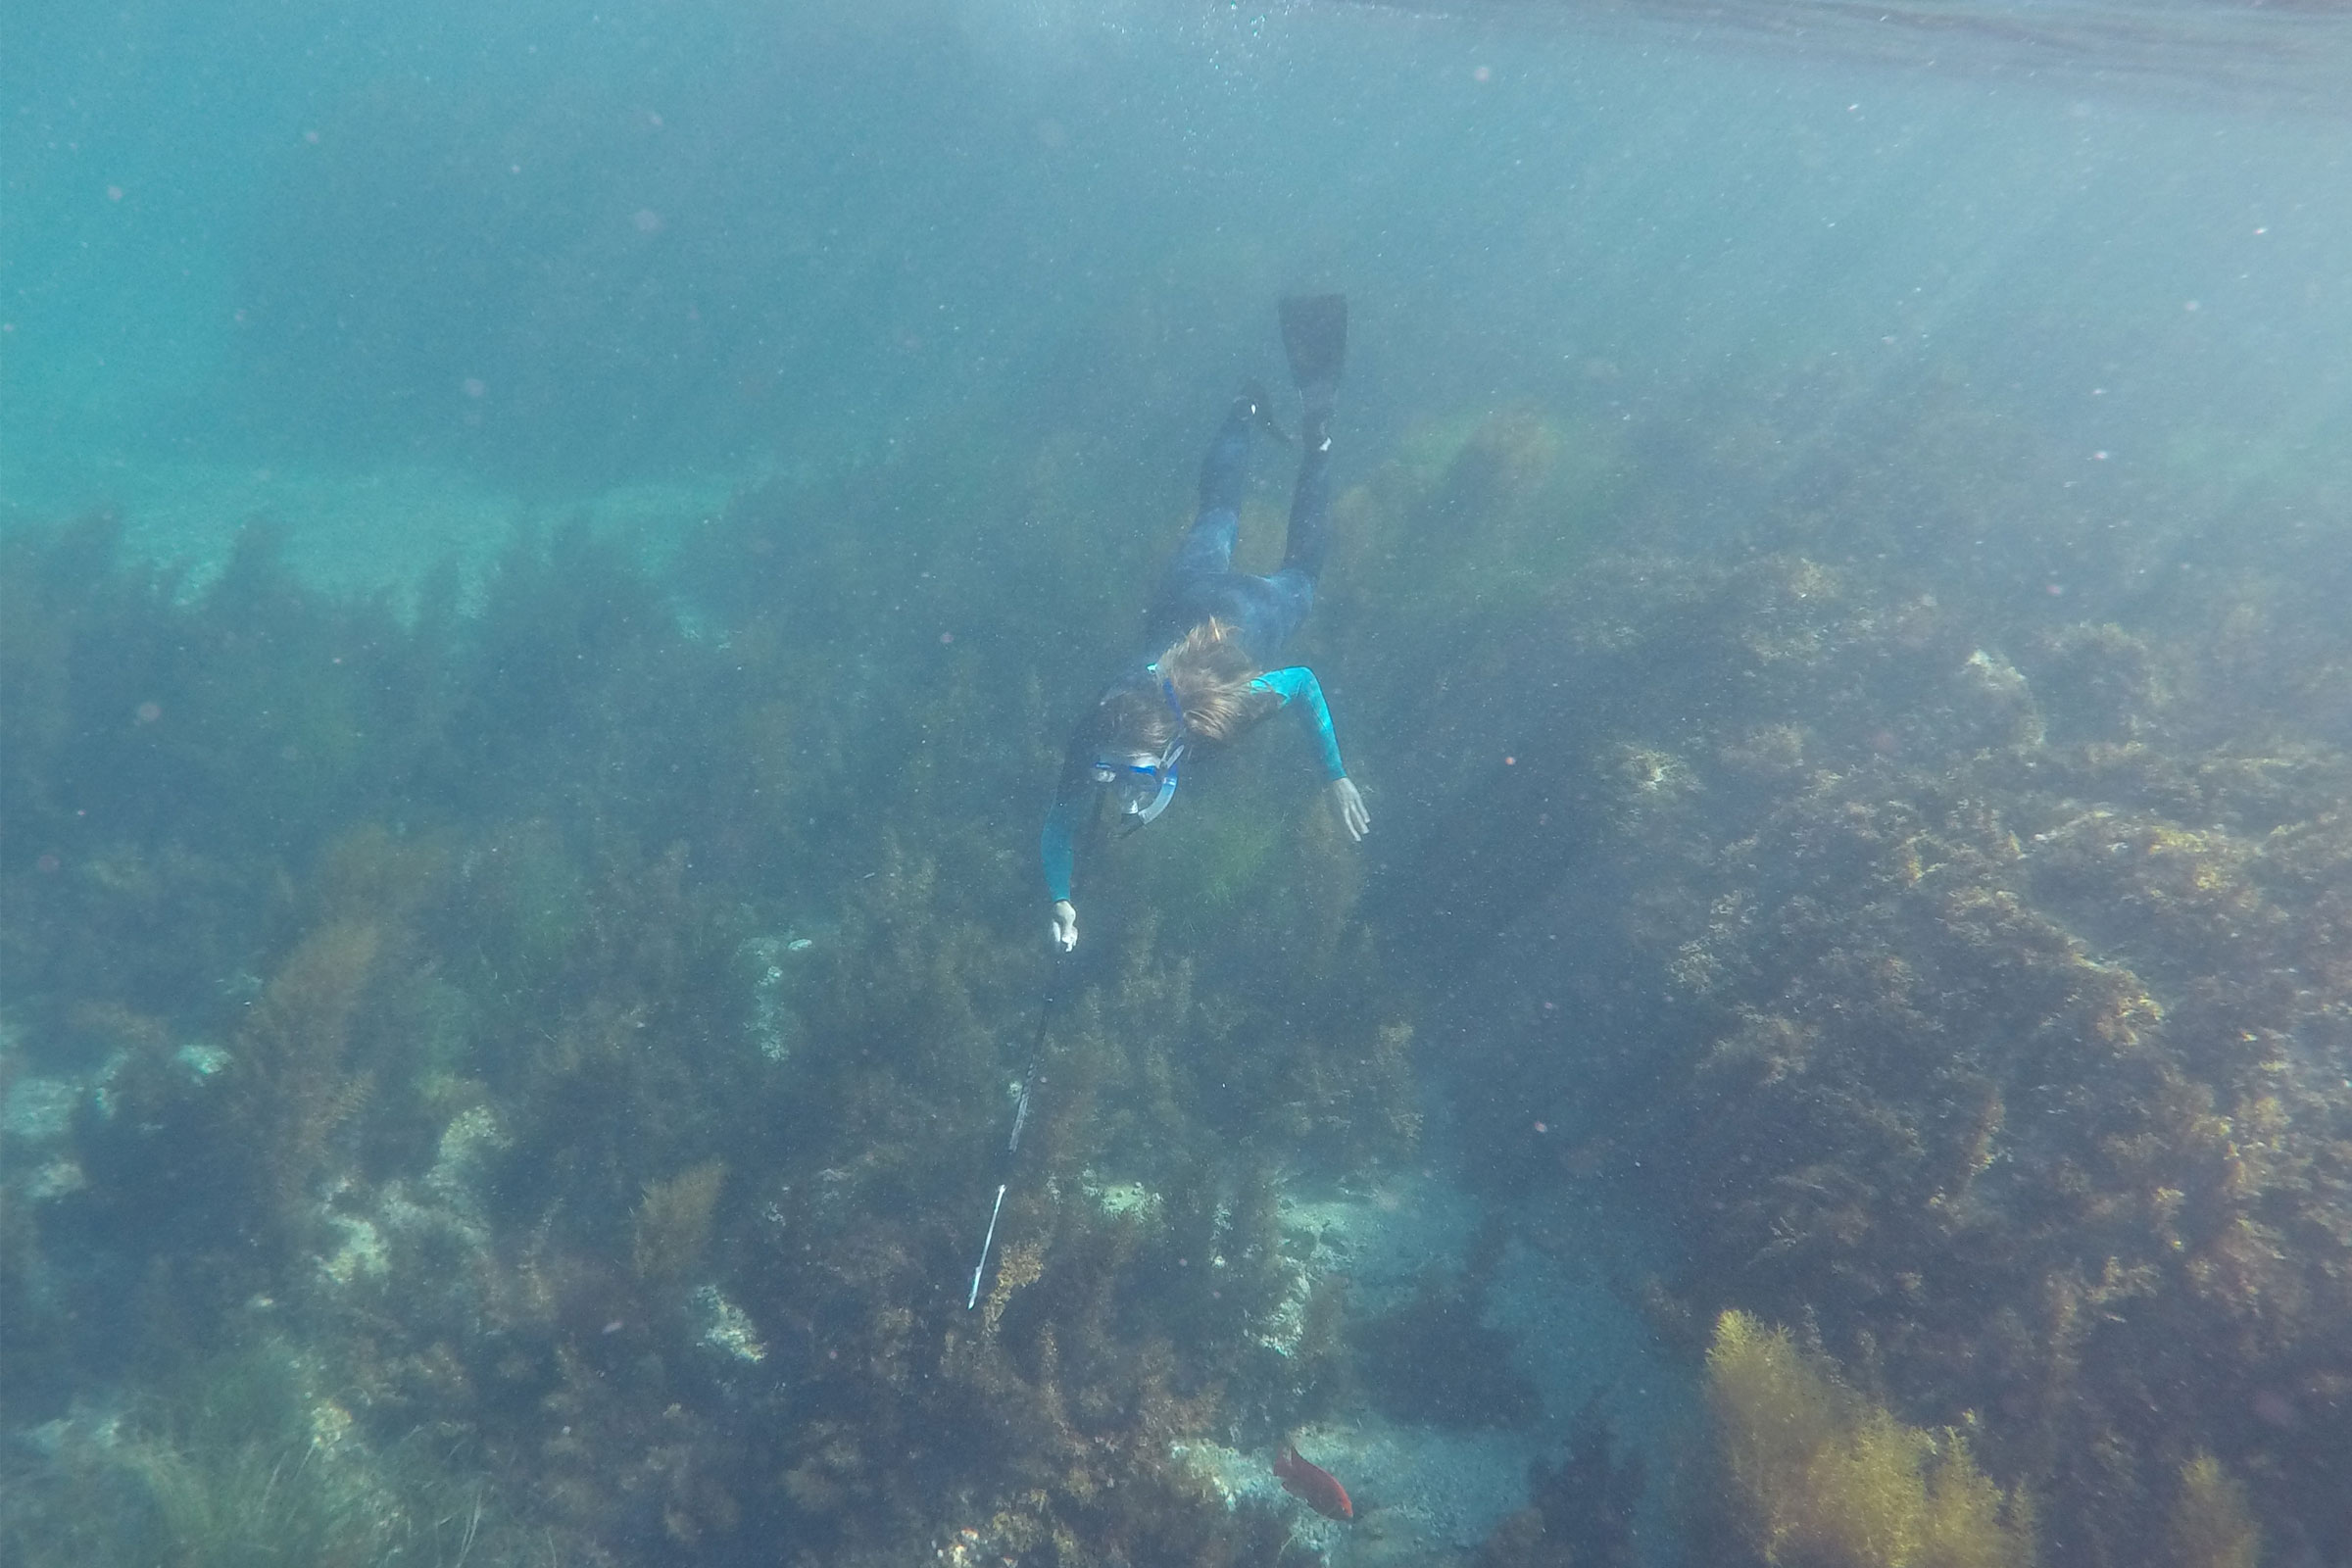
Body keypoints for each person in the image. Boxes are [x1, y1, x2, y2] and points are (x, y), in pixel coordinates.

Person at [1041, 295, 1369, 953]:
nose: (1127, 801)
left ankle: (1314, 435)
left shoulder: (1219, 713)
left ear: (1170, 749)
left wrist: (1332, 773)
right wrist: (1061, 900)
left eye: (1135, 781)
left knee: (1303, 568)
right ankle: (1246, 412)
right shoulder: (1099, 732)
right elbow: (1062, 817)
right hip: (1184, 597)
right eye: (1116, 779)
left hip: (1250, 616)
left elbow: (1302, 682)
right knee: (1217, 514)